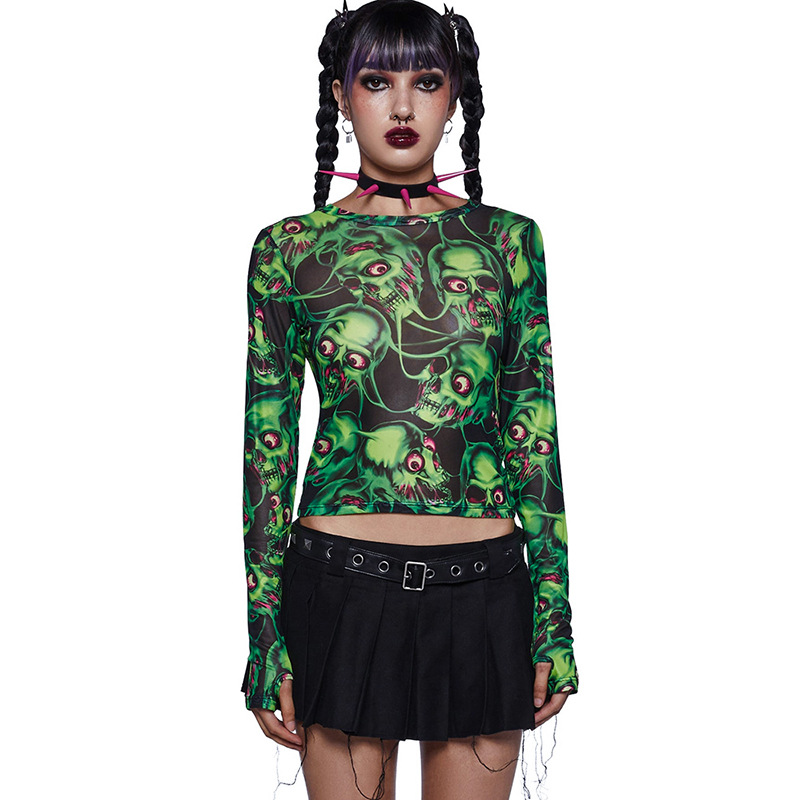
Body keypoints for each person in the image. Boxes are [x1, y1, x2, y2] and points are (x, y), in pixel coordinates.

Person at [240, 1, 578, 797]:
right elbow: (265, 449)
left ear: (455, 94)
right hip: (337, 590)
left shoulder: (509, 243)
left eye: (426, 81)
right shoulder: (289, 249)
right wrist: (264, 634)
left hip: (484, 590)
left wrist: (554, 619)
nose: (401, 106)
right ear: (339, 94)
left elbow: (534, 433)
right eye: (375, 81)